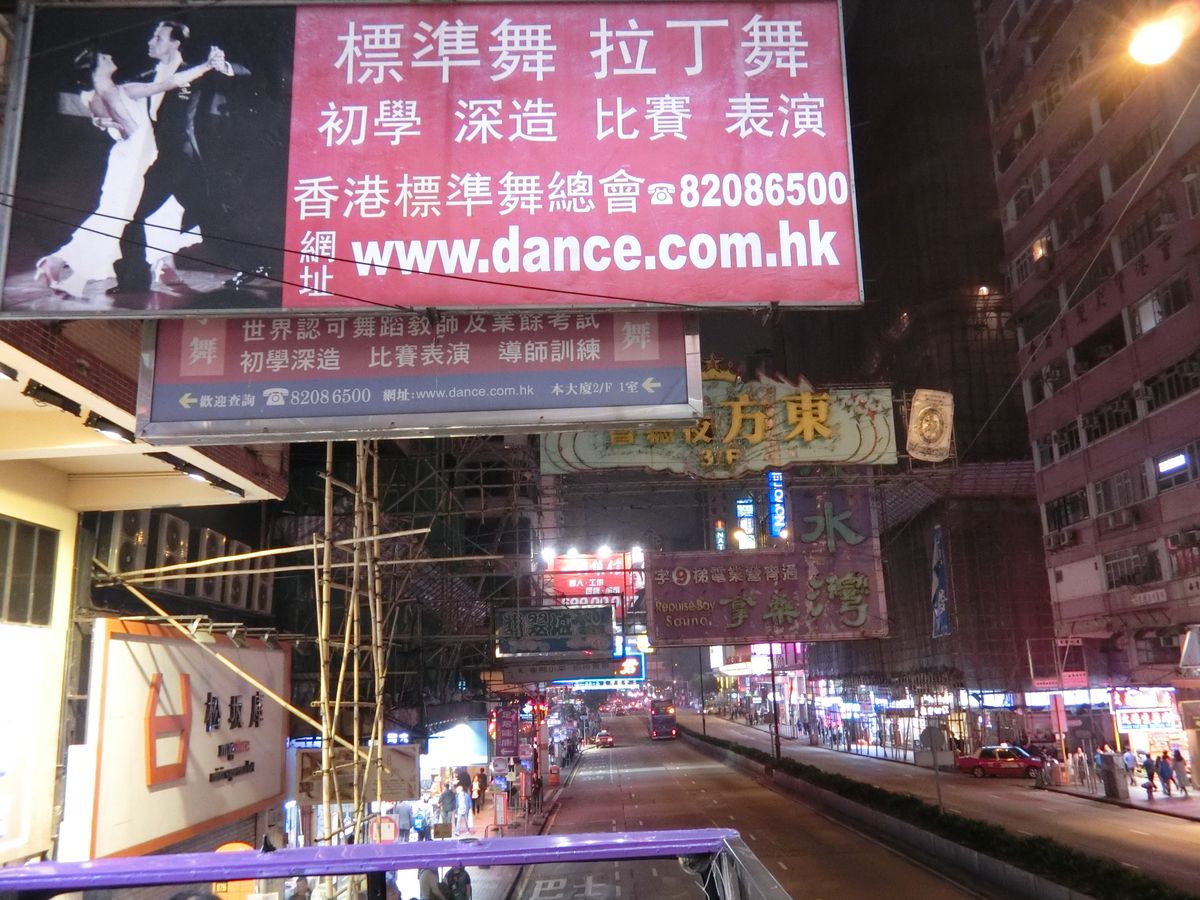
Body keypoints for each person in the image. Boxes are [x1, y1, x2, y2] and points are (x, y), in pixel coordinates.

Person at [34, 44, 222, 297]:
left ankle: (158, 264)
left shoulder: (94, 96)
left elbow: (113, 121)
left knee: (142, 215)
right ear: (95, 70)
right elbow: (170, 83)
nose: (110, 55)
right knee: (122, 218)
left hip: (131, 157)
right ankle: (65, 266)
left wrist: (101, 121)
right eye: (104, 57)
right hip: (136, 160)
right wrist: (206, 66)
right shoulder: (124, 91)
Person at [109, 20, 241, 294]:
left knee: (135, 214)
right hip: (170, 159)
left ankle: (134, 280)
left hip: (179, 158)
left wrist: (222, 66)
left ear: (176, 43)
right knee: (208, 216)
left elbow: (238, 74)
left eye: (158, 38)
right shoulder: (149, 74)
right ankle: (253, 263)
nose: (150, 42)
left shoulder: (192, 72)